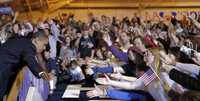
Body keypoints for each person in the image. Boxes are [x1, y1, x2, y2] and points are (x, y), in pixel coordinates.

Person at [0, 30, 51, 100]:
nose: (44, 48)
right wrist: (41, 73)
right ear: (36, 40)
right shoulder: (29, 46)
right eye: (44, 44)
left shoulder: (24, 42)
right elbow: (30, 59)